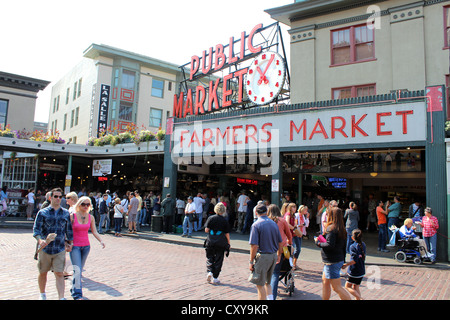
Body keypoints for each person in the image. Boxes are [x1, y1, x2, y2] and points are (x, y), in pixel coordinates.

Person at [32, 188, 73, 300]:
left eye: (60, 197)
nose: (58, 199)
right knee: (43, 272)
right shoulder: (42, 213)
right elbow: (36, 230)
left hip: (59, 248)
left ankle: (61, 297)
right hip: (46, 249)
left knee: (59, 273)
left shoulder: (65, 213)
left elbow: (69, 230)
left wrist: (70, 243)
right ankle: (42, 294)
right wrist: (40, 241)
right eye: (56, 196)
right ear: (50, 197)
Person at [69, 196, 105, 300]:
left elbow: (94, 231)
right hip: (74, 246)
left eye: (87, 204)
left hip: (86, 246)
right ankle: (77, 294)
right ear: (79, 205)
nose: (85, 206)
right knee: (77, 270)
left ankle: (74, 288)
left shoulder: (91, 217)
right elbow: (67, 231)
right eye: (83, 204)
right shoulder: (72, 216)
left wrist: (101, 240)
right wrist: (67, 242)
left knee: (78, 269)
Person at [315, 207, 351, 300]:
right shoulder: (341, 228)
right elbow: (343, 246)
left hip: (331, 261)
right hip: (337, 259)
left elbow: (329, 245)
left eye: (328, 214)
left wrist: (318, 243)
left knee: (336, 287)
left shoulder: (331, 228)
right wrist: (343, 260)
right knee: (325, 282)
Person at [248, 204, 282, 300]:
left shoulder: (256, 225)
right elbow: (280, 242)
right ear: (266, 212)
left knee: (259, 284)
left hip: (263, 256)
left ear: (256, 212)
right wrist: (279, 254)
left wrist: (251, 261)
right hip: (273, 255)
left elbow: (254, 245)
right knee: (268, 282)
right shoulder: (273, 223)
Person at [268, 204, 292, 300]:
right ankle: (272, 297)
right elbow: (289, 235)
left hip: (267, 249)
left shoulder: (266, 221)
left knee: (267, 273)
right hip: (280, 249)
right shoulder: (282, 221)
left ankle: (266, 295)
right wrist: (289, 243)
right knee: (275, 273)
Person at [204, 202, 231, 285]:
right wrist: (228, 243)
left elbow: (206, 230)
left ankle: (209, 272)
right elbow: (227, 233)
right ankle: (215, 277)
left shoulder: (211, 218)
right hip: (220, 242)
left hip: (211, 241)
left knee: (210, 257)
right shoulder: (224, 220)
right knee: (219, 259)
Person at [342, 229, 366, 300]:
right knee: (356, 287)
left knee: (347, 286)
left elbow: (354, 260)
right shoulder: (363, 244)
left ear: (352, 237)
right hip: (361, 270)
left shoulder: (352, 246)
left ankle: (360, 298)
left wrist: (346, 264)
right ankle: (358, 298)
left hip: (354, 271)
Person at [284, 202, 301, 270]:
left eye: (295, 207)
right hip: (289, 234)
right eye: (293, 207)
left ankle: (294, 263)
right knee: (291, 249)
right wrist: (293, 228)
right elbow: (287, 224)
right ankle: (290, 264)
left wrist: (295, 227)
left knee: (298, 248)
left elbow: (294, 223)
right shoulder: (288, 214)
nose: (295, 208)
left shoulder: (293, 215)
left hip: (293, 233)